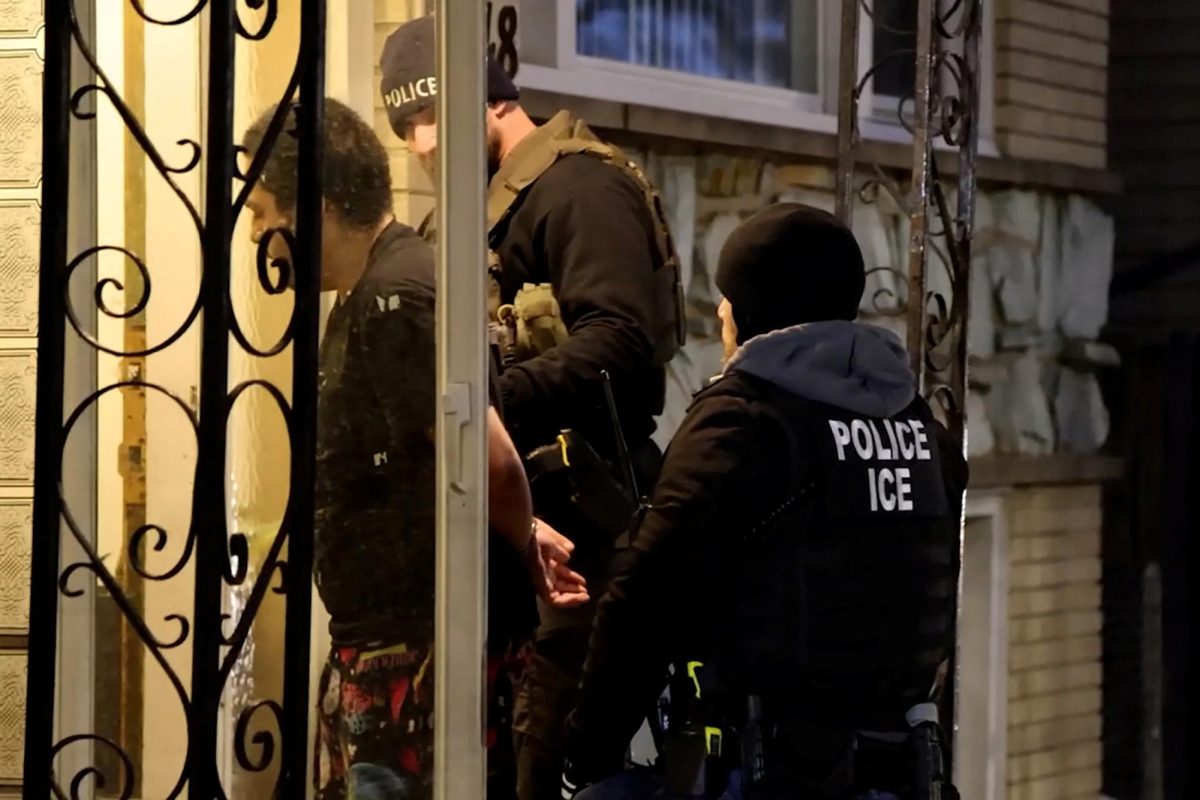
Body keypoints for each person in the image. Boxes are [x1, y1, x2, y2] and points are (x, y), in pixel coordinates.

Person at [560, 203, 968, 799]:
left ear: (752, 307)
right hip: (894, 773)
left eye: (728, 297)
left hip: (766, 773)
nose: (721, 312)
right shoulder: (919, 423)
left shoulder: (744, 417)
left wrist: (586, 751)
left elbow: (646, 598)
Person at [241, 97, 587, 800]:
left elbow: (479, 452)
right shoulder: (388, 285)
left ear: (321, 205)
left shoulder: (394, 295)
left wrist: (520, 539)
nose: (260, 233)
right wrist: (526, 530)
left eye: (264, 210)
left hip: (417, 662)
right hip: (400, 648)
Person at [379, 16, 685, 800]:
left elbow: (621, 338)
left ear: (490, 100)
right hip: (495, 543)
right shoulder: (462, 213)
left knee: (538, 770)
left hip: (576, 531)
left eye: (431, 116)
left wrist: (479, 402)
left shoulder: (580, 185)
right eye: (404, 125)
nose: (420, 144)